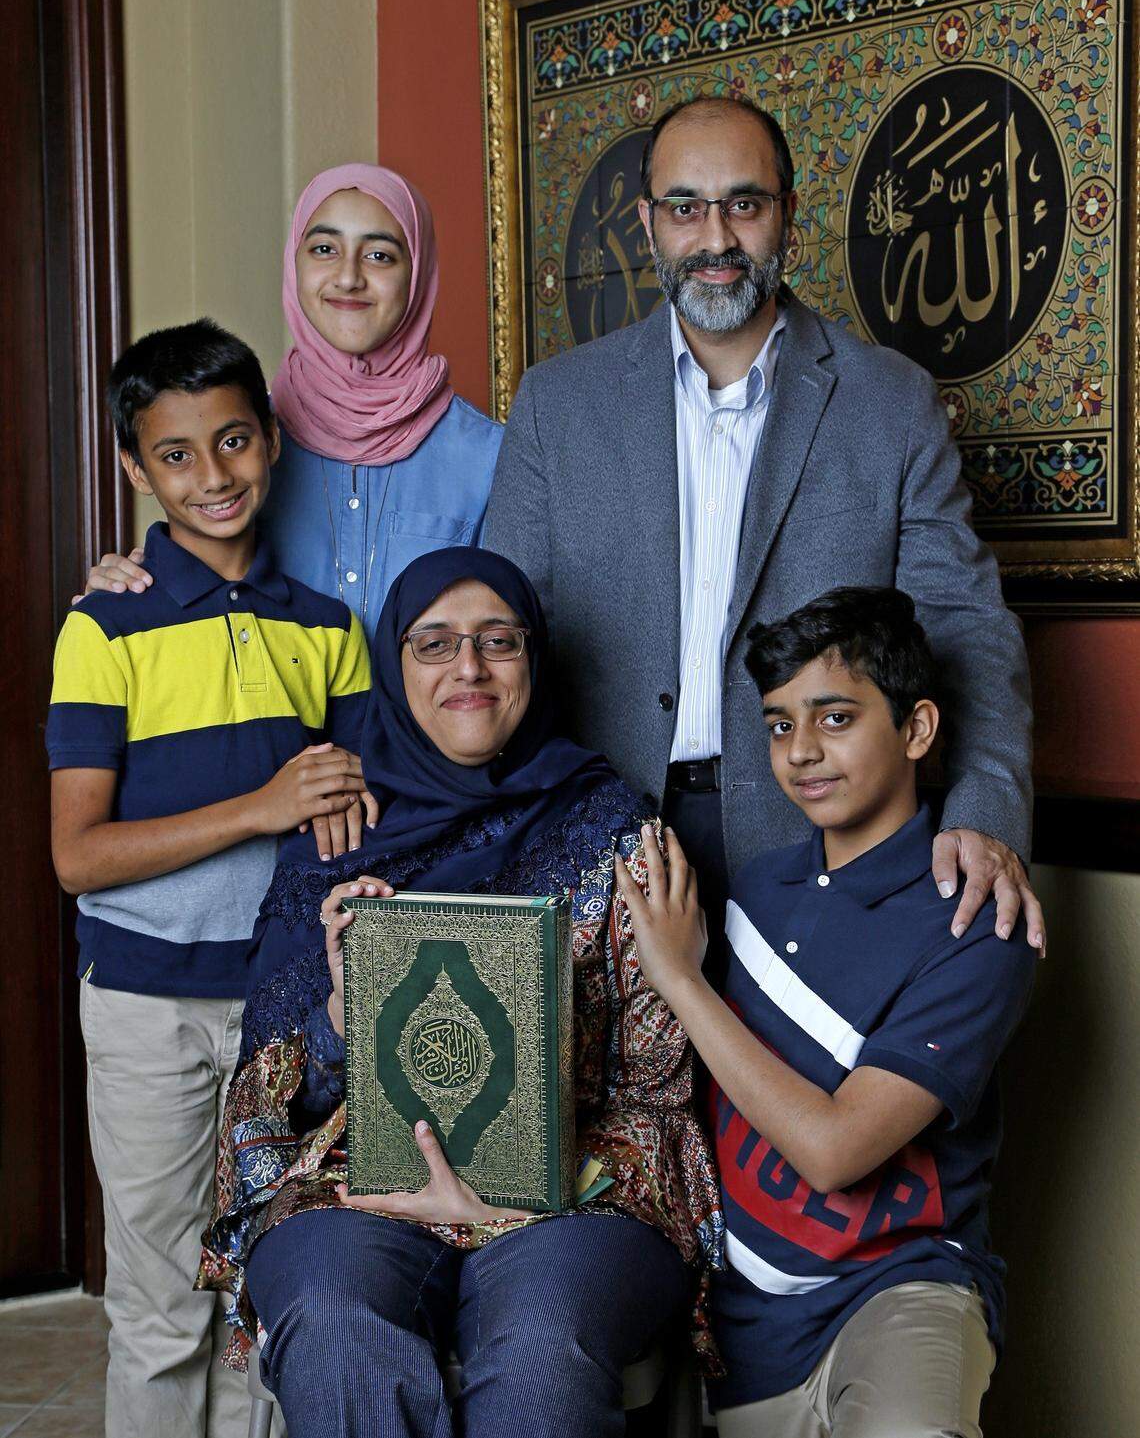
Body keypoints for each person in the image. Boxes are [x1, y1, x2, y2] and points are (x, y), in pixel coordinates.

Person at [483, 95, 1044, 968]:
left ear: (787, 215)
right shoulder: (557, 406)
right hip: (596, 844)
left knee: (805, 1106)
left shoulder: (890, 402)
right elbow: (496, 636)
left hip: (828, 837)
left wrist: (983, 810)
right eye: (685, 208)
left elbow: (965, 628)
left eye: (744, 204)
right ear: (648, 222)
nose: (715, 239)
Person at [197, 546, 724, 1438]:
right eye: (433, 644)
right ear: (394, 672)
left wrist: (537, 1187)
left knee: (540, 1348)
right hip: (361, 1181)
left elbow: (658, 1093)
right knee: (333, 1328)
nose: (468, 668)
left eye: (497, 640)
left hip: (579, 1187)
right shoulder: (335, 840)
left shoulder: (620, 831)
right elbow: (264, 1100)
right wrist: (339, 1011)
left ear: (535, 656)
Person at [47, 319, 372, 1438]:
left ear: (272, 441)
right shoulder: (105, 625)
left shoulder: (328, 629)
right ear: (135, 469)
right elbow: (77, 854)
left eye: (232, 440)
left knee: (267, 1303)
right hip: (145, 1008)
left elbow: (361, 823)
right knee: (163, 1306)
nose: (213, 474)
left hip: (283, 1005)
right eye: (175, 455)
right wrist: (261, 806)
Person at [615, 586, 1036, 1437]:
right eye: (779, 725)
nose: (802, 751)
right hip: (743, 1327)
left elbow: (835, 1150)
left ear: (916, 729)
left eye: (835, 718)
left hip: (899, 1289)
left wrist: (683, 980)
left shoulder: (975, 918)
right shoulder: (751, 887)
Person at [81, 162, 501, 640]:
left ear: (419, 273)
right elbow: (190, 575)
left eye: (380, 256)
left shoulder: (487, 456)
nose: (348, 278)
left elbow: (512, 632)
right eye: (324, 249)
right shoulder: (236, 441)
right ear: (293, 263)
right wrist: (126, 588)